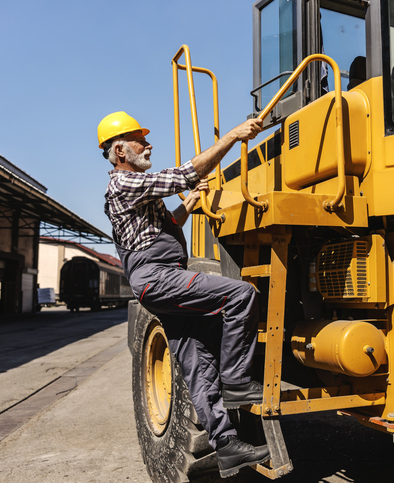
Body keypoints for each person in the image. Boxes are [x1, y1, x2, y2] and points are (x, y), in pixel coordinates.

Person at [99, 111, 268, 478]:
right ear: (120, 150)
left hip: (160, 278)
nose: (148, 144)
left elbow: (166, 226)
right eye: (140, 140)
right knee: (240, 296)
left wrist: (188, 205)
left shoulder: (138, 189)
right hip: (158, 277)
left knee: (196, 364)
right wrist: (234, 136)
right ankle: (238, 381)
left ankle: (226, 448)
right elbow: (184, 174)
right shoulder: (123, 185)